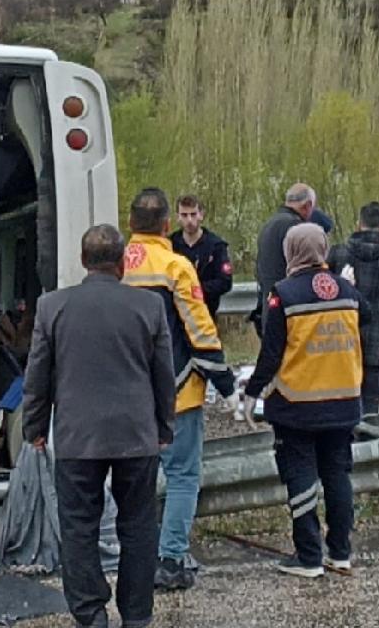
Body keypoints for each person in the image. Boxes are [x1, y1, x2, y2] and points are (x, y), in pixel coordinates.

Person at [22, 224, 176, 628]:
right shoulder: (149, 308)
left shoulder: (51, 307)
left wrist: (34, 426)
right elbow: (164, 375)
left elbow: (37, 375)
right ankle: (137, 615)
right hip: (137, 436)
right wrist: (164, 427)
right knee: (139, 528)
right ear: (122, 262)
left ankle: (91, 614)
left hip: (77, 439)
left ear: (82, 261)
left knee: (78, 530)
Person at [122, 187, 236, 591]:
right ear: (168, 225)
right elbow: (200, 329)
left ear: (131, 223)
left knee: (135, 477)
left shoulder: (113, 265)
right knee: (183, 475)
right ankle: (170, 560)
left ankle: (136, 556)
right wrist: (225, 383)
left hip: (126, 392)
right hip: (176, 389)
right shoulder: (176, 266)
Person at [243, 223, 363, 578]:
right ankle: (340, 552)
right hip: (343, 400)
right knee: (338, 476)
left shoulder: (284, 293)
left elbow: (272, 352)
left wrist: (252, 393)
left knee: (300, 477)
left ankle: (309, 556)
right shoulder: (347, 290)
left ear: (290, 251)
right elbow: (367, 318)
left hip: (297, 404)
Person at [327, 202, 379, 415]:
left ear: (359, 224)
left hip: (341, 340)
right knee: (370, 405)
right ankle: (366, 444)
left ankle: (344, 445)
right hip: (378, 341)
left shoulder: (338, 254)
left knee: (342, 403)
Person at [252, 183, 335, 337]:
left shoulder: (269, 224)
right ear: (308, 205)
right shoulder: (297, 229)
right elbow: (307, 269)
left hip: (270, 307)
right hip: (292, 311)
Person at [170, 195, 234, 321]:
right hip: (177, 318)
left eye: (193, 214)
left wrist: (196, 290)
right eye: (184, 215)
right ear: (177, 216)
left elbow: (225, 282)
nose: (189, 220)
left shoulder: (216, 246)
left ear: (201, 215)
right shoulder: (170, 245)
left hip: (206, 315)